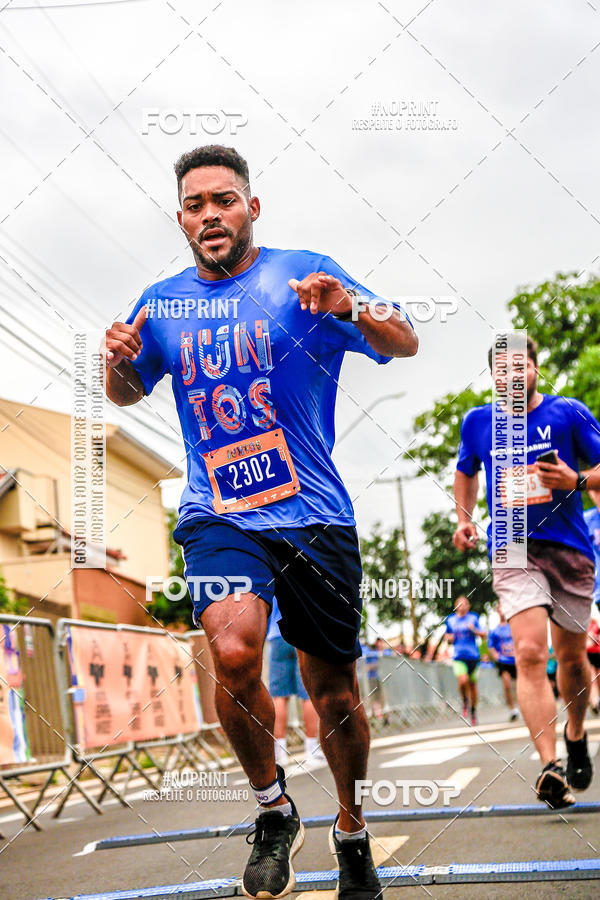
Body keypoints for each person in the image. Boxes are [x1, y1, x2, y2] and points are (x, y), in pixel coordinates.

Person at [104, 144, 418, 899]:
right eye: (193, 204)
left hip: (313, 516)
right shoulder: (163, 302)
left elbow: (404, 337)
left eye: (222, 199)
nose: (209, 214)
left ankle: (350, 829)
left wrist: (351, 306)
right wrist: (113, 363)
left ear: (251, 207)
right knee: (236, 651)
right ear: (180, 218)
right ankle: (273, 808)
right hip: (219, 513)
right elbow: (124, 393)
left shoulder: (303, 273)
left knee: (334, 691)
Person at [453, 335, 600, 808]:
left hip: (570, 548)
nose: (512, 377)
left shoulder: (568, 413)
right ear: (493, 377)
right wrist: (464, 518)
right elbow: (466, 470)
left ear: (536, 369)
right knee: (531, 653)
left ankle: (575, 734)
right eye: (502, 370)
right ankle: (550, 765)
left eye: (521, 367)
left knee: (572, 660)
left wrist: (575, 480)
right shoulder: (478, 423)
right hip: (513, 546)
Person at [267, 598, 326, 768]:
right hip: (303, 630)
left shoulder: (272, 571)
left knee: (279, 696)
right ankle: (311, 750)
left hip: (277, 635)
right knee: (307, 693)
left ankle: (280, 753)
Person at [444, 596, 486, 725]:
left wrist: (473, 629)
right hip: (458, 656)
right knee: (463, 681)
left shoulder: (473, 618)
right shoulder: (450, 620)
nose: (462, 607)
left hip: (473, 656)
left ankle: (473, 711)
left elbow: (483, 634)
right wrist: (450, 638)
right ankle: (464, 701)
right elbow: (447, 636)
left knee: (472, 685)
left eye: (465, 604)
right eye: (459, 604)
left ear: (468, 606)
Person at [487, 605, 519, 721]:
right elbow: (490, 647)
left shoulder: (515, 626)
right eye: (499, 609)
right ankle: (513, 709)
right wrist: (496, 656)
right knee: (506, 685)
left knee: (519, 686)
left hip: (516, 661)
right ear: (497, 611)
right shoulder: (494, 631)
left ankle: (523, 706)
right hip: (503, 661)